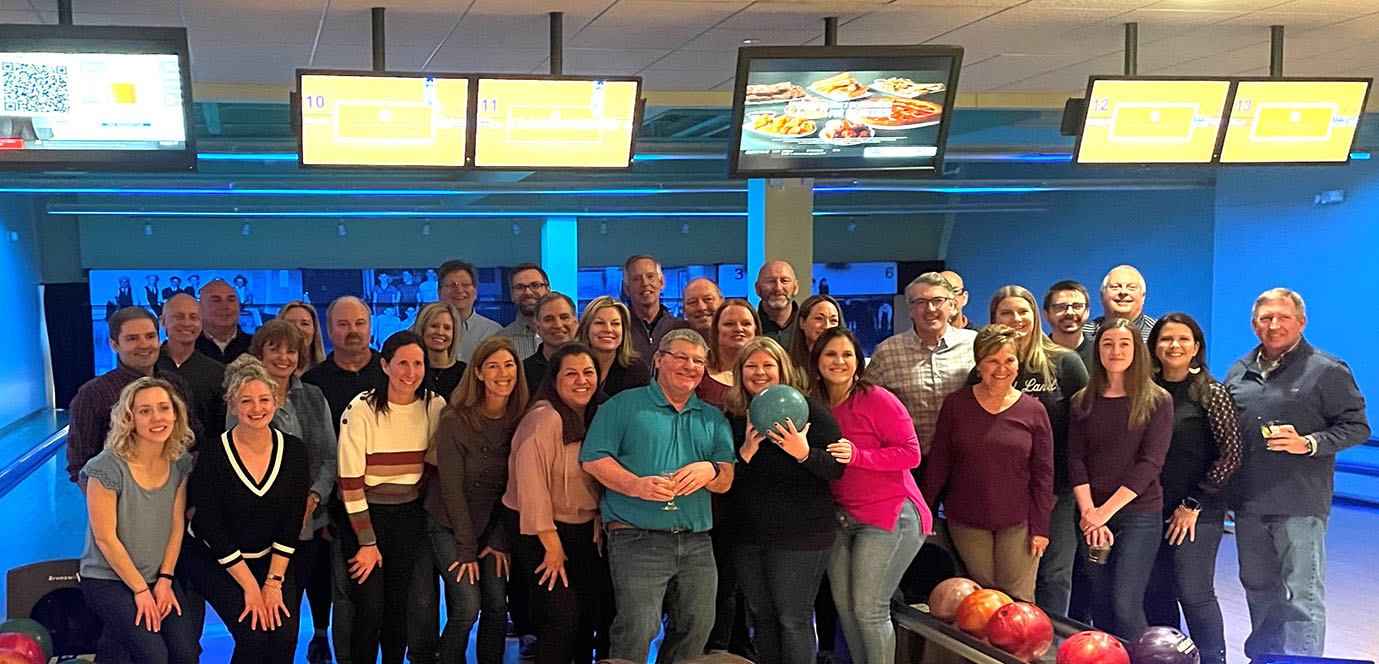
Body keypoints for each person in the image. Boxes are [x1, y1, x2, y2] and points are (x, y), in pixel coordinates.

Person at [1224, 288, 1368, 658]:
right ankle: (1267, 658)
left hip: (1300, 504)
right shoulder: (1239, 371)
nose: (1273, 325)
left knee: (1301, 595)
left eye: (1282, 317)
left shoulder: (1327, 370)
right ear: (1255, 324)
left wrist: (1309, 443)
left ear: (1301, 322)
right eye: (1265, 318)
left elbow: (1357, 427)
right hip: (1249, 503)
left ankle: (1301, 661)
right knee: (1258, 590)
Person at [580, 329, 736, 664]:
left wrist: (710, 470)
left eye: (697, 360)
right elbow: (593, 459)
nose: (690, 366)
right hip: (637, 538)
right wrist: (635, 485)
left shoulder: (712, 416)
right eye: (681, 357)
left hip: (696, 541)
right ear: (659, 360)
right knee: (638, 628)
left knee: (697, 626)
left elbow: (725, 479)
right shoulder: (623, 405)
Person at [180, 356, 311, 663]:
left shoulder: (294, 451)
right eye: (246, 401)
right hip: (216, 559)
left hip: (271, 561)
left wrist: (272, 583)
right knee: (253, 637)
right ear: (232, 406)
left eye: (264, 399)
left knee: (283, 639)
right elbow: (210, 527)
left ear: (276, 401)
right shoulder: (212, 455)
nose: (257, 408)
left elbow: (292, 521)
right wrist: (252, 589)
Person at [809, 327, 927, 664]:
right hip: (842, 519)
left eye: (847, 354)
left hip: (890, 515)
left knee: (869, 610)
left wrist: (858, 455)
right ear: (817, 360)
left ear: (858, 361)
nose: (839, 361)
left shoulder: (876, 399)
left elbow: (911, 454)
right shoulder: (814, 405)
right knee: (847, 610)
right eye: (831, 354)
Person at [723, 337, 844, 664]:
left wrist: (803, 453)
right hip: (748, 537)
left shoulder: (811, 413)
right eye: (751, 366)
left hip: (802, 537)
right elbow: (725, 484)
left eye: (768, 365)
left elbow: (836, 469)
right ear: (740, 372)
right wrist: (745, 454)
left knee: (793, 619)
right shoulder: (734, 417)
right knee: (761, 616)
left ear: (783, 370)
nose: (759, 372)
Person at [336, 331, 447, 664]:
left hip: (407, 516)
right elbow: (349, 482)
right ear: (384, 365)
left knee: (399, 607)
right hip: (363, 516)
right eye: (402, 363)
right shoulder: (361, 409)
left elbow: (432, 465)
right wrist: (367, 543)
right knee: (369, 609)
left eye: (417, 364)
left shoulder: (434, 405)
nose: (410, 372)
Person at [923, 325, 1054, 602]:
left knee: (1018, 602)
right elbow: (939, 462)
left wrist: (1041, 528)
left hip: (1019, 523)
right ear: (979, 363)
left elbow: (1044, 475)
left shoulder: (1034, 410)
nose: (1001, 368)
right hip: (967, 521)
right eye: (992, 361)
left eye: (1009, 360)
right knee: (980, 601)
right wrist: (926, 511)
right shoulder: (956, 405)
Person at [983, 286, 1089, 615]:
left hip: (1058, 488)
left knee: (1055, 573)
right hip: (1007, 491)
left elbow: (1085, 427)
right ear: (993, 319)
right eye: (1006, 313)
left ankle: (1050, 643)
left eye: (1022, 311)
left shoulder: (1065, 362)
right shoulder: (987, 366)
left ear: (1036, 316)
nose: (1016, 319)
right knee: (1011, 577)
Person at [505, 343, 613, 664]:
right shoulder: (543, 419)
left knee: (587, 618)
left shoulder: (596, 415)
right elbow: (531, 486)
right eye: (571, 374)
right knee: (563, 618)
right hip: (539, 531)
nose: (582, 380)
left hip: (580, 529)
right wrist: (551, 544)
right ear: (554, 381)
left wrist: (597, 513)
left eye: (588, 372)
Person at [1143, 313, 1242, 664]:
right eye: (1166, 339)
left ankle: (1213, 660)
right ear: (1154, 347)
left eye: (1183, 339)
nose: (1174, 345)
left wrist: (1193, 504)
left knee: (1194, 591)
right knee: (1156, 591)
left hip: (1198, 511)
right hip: (1151, 509)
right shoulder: (1146, 392)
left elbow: (1231, 454)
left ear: (1196, 347)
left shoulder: (1211, 393)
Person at [79, 377, 199, 664]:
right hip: (107, 579)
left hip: (158, 577)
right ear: (130, 419)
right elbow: (105, 538)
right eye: (145, 411)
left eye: (163, 408)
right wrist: (141, 590)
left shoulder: (178, 462)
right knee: (153, 654)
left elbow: (176, 525)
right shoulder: (106, 467)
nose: (157, 418)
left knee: (186, 653)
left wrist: (166, 579)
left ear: (175, 413)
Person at [426, 336, 529, 664]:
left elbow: (516, 487)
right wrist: (468, 549)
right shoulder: (455, 419)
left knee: (498, 604)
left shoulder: (523, 419)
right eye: (494, 366)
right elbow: (452, 489)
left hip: (493, 524)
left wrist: (498, 538)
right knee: (467, 606)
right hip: (449, 523)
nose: (503, 373)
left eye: (509, 365)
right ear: (479, 373)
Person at [1068, 318, 1173, 638]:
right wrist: (1090, 513)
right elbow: (1075, 458)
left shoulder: (1157, 400)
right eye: (1107, 344)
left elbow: (1150, 464)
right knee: (1100, 604)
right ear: (1097, 350)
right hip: (1090, 515)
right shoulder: (1082, 400)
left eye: (1124, 344)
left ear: (1137, 350)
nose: (1115, 351)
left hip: (1138, 515)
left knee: (1125, 603)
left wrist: (1103, 513)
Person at [243, 320, 339, 664]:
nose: (283, 357)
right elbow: (239, 468)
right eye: (275, 348)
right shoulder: (244, 398)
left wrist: (312, 500)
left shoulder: (312, 395)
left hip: (308, 522)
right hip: (262, 530)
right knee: (267, 620)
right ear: (260, 352)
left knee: (291, 610)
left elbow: (330, 456)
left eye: (291, 350)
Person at [68, 307, 202, 485]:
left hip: (177, 493)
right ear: (114, 345)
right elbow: (80, 465)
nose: (144, 344)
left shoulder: (176, 385)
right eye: (132, 339)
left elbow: (195, 441)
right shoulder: (92, 394)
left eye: (150, 336)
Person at [869, 273, 977, 456]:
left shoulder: (975, 345)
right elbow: (869, 405)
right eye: (921, 302)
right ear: (910, 309)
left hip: (966, 459)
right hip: (911, 461)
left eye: (938, 300)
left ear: (952, 305)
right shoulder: (887, 353)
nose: (930, 309)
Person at [303, 296, 384, 431]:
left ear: (370, 328)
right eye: (343, 324)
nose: (353, 331)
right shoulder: (311, 383)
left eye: (360, 323)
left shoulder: (392, 373)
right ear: (329, 331)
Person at [158, 293, 227, 440]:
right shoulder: (147, 367)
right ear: (163, 322)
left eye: (194, 317)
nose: (187, 323)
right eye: (179, 317)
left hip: (202, 457)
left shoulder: (218, 372)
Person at [576, 296, 652, 399]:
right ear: (586, 329)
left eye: (615, 324)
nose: (608, 329)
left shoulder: (637, 372)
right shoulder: (569, 366)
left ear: (623, 331)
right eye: (599, 323)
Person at [1082, 266, 1156, 370]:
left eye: (1131, 287)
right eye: (1115, 287)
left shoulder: (1158, 333)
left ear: (1143, 296)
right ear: (1102, 296)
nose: (1123, 292)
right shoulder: (1083, 334)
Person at [622, 254, 689, 361]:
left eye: (650, 276)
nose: (645, 283)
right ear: (626, 288)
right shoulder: (618, 328)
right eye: (636, 279)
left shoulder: (682, 329)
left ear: (661, 282)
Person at [698, 299, 761, 409]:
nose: (738, 329)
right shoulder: (698, 367)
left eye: (746, 324)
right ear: (716, 329)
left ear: (755, 329)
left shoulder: (767, 370)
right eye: (729, 324)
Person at [440, 260, 503, 363]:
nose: (459, 290)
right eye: (452, 285)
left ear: (475, 291)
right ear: (439, 291)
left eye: (465, 285)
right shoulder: (420, 331)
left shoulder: (494, 332)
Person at [412, 302, 468, 400]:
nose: (440, 332)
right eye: (434, 326)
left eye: (447, 328)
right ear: (422, 329)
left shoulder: (466, 373)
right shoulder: (410, 372)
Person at [524, 292, 579, 389]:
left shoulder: (593, 366)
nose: (558, 325)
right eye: (549, 319)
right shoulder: (523, 372)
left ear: (576, 322)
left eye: (564, 317)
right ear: (537, 327)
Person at [498, 263, 551, 360]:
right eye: (520, 287)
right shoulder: (501, 341)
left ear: (548, 290)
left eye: (535, 285)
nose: (528, 292)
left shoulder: (566, 334)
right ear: (512, 295)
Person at [785, 294, 844, 379]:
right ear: (802, 323)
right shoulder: (785, 363)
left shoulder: (844, 365)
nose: (827, 326)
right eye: (819, 318)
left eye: (833, 320)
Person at [197, 279, 253, 364]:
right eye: (216, 300)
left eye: (231, 300)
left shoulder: (256, 346)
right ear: (199, 308)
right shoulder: (187, 347)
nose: (225, 307)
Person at [755, 261, 799, 348]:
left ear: (795, 288)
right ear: (757, 289)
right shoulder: (750, 327)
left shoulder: (807, 326)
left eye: (784, 281)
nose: (778, 288)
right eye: (770, 281)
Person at [1043, 281, 1091, 356]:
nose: (1070, 312)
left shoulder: (1101, 354)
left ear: (1087, 312)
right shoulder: (1035, 356)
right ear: (1046, 314)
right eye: (1060, 307)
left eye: (1077, 306)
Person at [278, 300, 327, 372]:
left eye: (305, 324)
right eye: (290, 323)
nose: (298, 328)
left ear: (314, 330)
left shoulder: (326, 373)